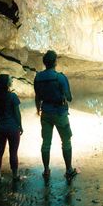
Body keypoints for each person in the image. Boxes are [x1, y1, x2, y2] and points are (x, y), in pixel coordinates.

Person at [34, 50, 78, 181]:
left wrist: (38, 110)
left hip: (45, 113)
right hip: (60, 113)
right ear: (55, 62)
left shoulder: (38, 77)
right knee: (66, 141)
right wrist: (65, 96)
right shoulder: (60, 77)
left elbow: (37, 97)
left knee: (46, 143)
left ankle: (46, 170)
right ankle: (69, 170)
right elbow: (69, 98)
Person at [0, 74, 23, 182]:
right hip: (12, 127)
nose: (12, 81)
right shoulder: (12, 96)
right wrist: (20, 126)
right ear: (6, 83)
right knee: (13, 152)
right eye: (10, 80)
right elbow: (17, 113)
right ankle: (15, 175)